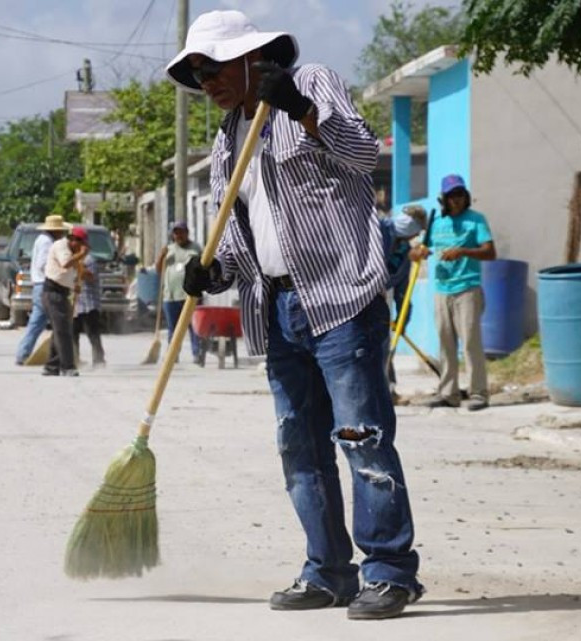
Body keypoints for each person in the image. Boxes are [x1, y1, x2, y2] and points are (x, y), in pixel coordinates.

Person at [170, 10, 422, 619]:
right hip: (275, 307)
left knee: (360, 437)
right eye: (197, 72)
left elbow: (365, 154)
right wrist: (213, 273)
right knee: (299, 446)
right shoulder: (228, 137)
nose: (206, 81)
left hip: (340, 295)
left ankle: (389, 572)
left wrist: (300, 112)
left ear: (253, 59)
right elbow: (235, 233)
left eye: (214, 66)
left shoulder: (311, 83)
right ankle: (328, 571)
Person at [409, 175, 496, 411]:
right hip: (442, 289)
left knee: (470, 343)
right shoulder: (436, 222)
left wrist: (463, 252)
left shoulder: (476, 220)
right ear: (444, 199)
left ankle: (479, 392)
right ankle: (449, 393)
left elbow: (490, 252)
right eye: (451, 196)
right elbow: (420, 250)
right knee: (446, 343)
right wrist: (418, 253)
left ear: (465, 197)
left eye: (459, 195)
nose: (456, 200)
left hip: (467, 287)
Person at [380, 206, 427, 397]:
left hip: (383, 300)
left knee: (383, 344)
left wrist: (402, 318)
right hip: (360, 298)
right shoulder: (378, 230)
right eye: (416, 230)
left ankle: (387, 389)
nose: (415, 235)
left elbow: (402, 290)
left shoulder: (406, 253)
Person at [15, 215, 69, 365]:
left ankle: (23, 354)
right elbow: (42, 264)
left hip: (39, 285)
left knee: (37, 323)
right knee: (57, 322)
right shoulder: (47, 243)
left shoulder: (42, 239)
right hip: (44, 284)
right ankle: (60, 355)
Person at [156, 221, 205, 366]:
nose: (179, 235)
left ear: (187, 233)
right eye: (176, 233)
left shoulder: (196, 248)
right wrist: (161, 256)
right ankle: (173, 355)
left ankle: (197, 354)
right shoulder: (169, 249)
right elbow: (159, 269)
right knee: (173, 328)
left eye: (181, 232)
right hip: (171, 295)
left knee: (193, 327)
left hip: (191, 295)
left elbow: (204, 268)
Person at [42, 226, 88, 377]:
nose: (80, 248)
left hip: (62, 292)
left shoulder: (73, 252)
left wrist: (75, 285)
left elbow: (72, 272)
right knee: (63, 331)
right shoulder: (61, 246)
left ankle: (51, 366)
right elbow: (65, 264)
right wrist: (81, 254)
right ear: (73, 239)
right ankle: (67, 366)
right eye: (79, 243)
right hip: (53, 292)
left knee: (60, 329)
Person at [73, 250, 105, 368]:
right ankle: (75, 359)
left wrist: (79, 266)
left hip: (88, 303)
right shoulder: (71, 258)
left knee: (92, 332)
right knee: (73, 332)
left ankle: (99, 360)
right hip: (76, 302)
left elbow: (90, 277)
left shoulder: (90, 260)